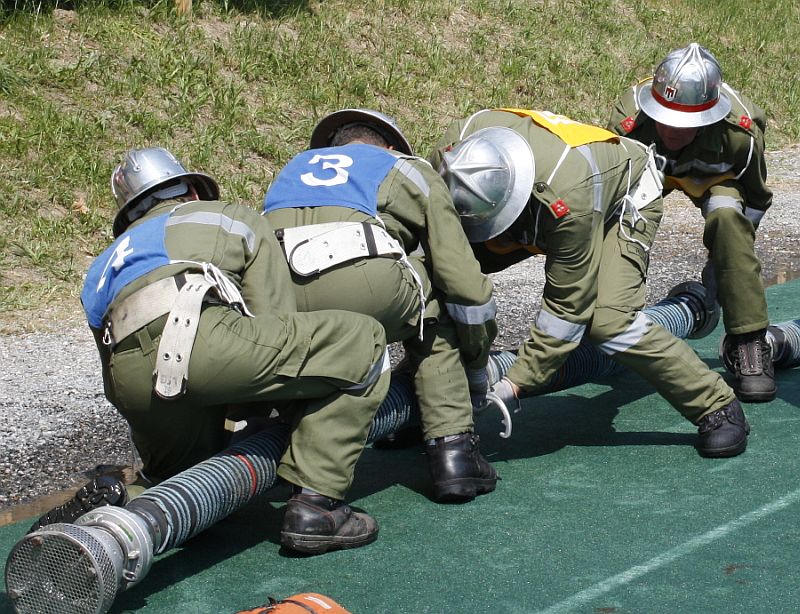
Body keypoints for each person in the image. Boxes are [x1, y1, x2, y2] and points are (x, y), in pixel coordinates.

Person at [32, 147, 391, 555]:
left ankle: (118, 500)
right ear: (190, 191)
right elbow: (273, 318)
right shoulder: (226, 215)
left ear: (129, 215)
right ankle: (316, 507)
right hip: (200, 337)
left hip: (132, 382)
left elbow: (111, 375)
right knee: (362, 340)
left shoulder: (100, 267)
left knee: (184, 483)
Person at [428, 107, 749, 458]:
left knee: (609, 321)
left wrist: (516, 382)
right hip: (547, 190)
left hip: (621, 199)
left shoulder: (569, 200)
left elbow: (567, 309)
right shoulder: (449, 159)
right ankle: (432, 406)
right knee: (439, 276)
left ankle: (715, 405)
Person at [263, 109, 499, 502]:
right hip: (360, 277)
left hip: (276, 291)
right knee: (438, 301)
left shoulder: (293, 168)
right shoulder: (404, 166)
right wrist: (476, 363)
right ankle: (454, 453)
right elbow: (463, 283)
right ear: (390, 146)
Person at [607, 43, 775, 403]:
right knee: (623, 222)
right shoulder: (628, 125)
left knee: (728, 219)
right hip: (649, 174)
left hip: (715, 180)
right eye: (664, 117)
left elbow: (756, 201)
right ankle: (613, 320)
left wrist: (726, 262)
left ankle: (748, 342)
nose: (671, 130)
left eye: (684, 124)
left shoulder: (739, 135)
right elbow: (607, 201)